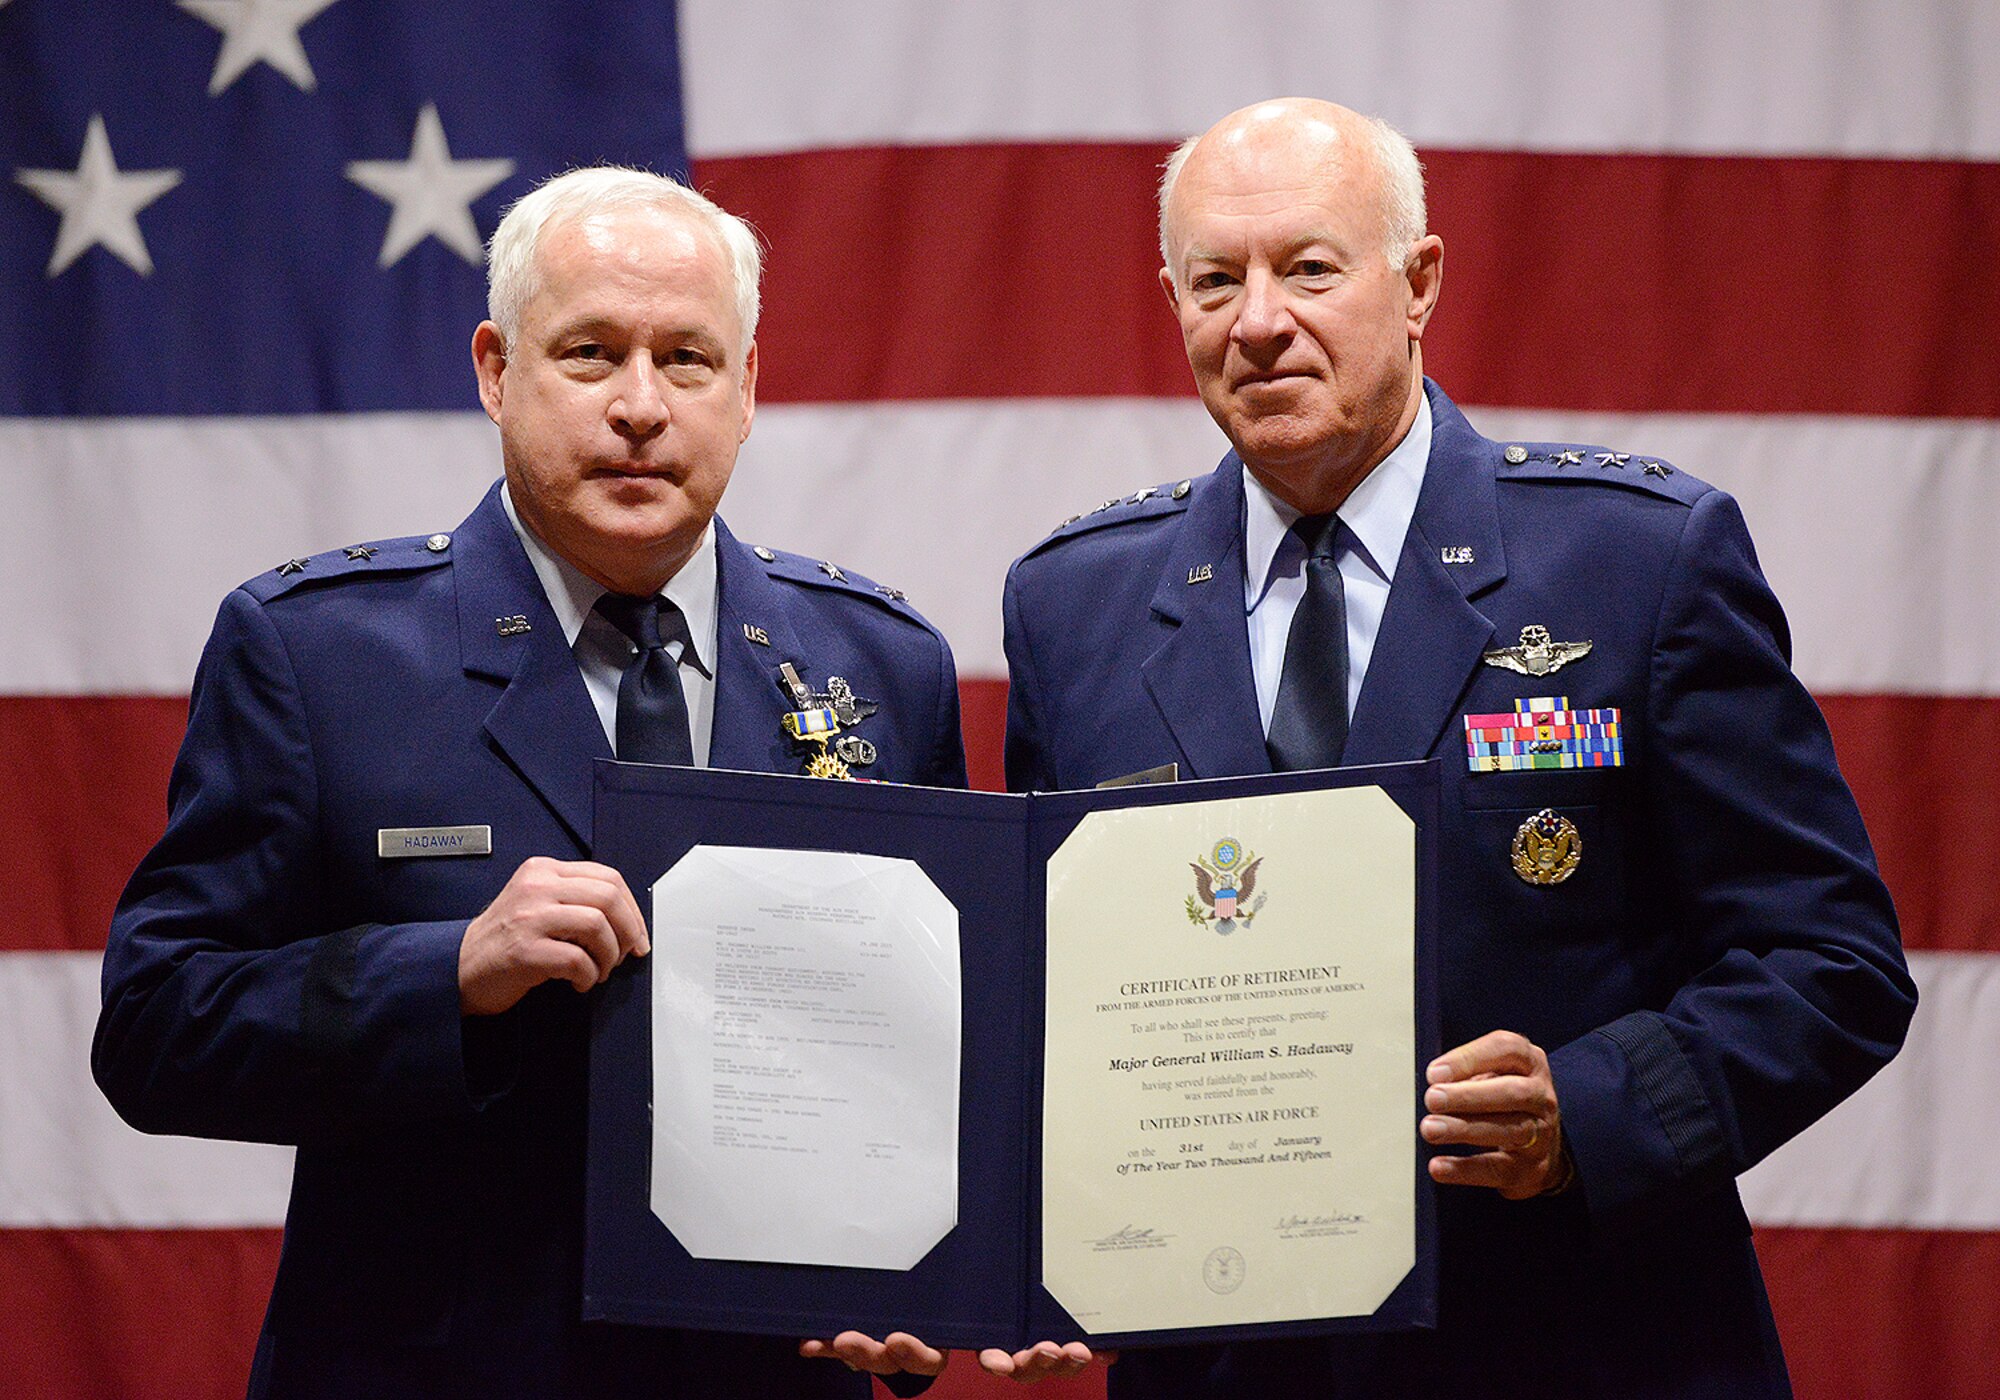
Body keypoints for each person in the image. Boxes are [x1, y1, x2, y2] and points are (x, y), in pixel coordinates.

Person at [991, 99, 1915, 1397]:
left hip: (1578, 1345)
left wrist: (1590, 1112)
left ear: (1418, 282)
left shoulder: (1637, 563)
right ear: (1173, 301)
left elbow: (1834, 963)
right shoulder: (1073, 604)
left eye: (1310, 268)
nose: (1259, 321)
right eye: (1216, 280)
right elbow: (1047, 1011)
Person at [94, 167, 960, 1399]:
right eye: (591, 353)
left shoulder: (881, 663)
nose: (640, 406)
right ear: (497, 370)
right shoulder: (318, 653)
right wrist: (445, 973)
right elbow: (156, 1026)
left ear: (751, 385)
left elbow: (936, 1051)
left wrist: (928, 1280)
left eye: (688, 359)